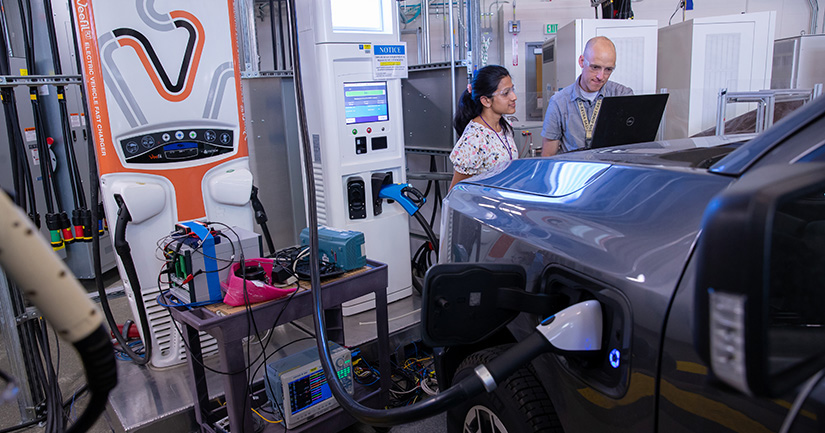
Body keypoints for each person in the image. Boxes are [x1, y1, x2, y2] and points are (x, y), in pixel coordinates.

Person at [541, 36, 633, 156]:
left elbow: (633, 146)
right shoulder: (559, 103)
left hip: (611, 169)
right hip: (575, 171)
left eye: (608, 70)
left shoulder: (622, 95)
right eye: (595, 67)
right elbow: (548, 156)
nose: (601, 76)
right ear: (581, 61)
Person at [449, 65, 518, 189]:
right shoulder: (474, 137)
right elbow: (455, 191)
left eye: (512, 90)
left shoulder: (503, 126)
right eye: (506, 93)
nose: (514, 97)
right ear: (486, 101)